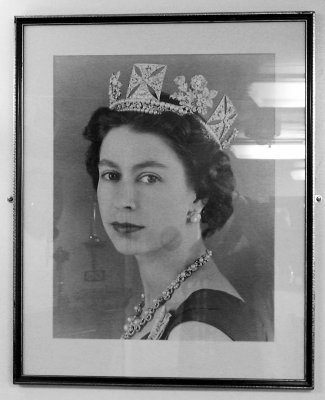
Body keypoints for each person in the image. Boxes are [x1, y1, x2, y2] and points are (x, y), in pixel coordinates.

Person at [83, 63, 268, 341]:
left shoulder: (200, 329)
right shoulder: (161, 298)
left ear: (199, 195)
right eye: (111, 174)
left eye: (149, 178)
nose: (124, 201)